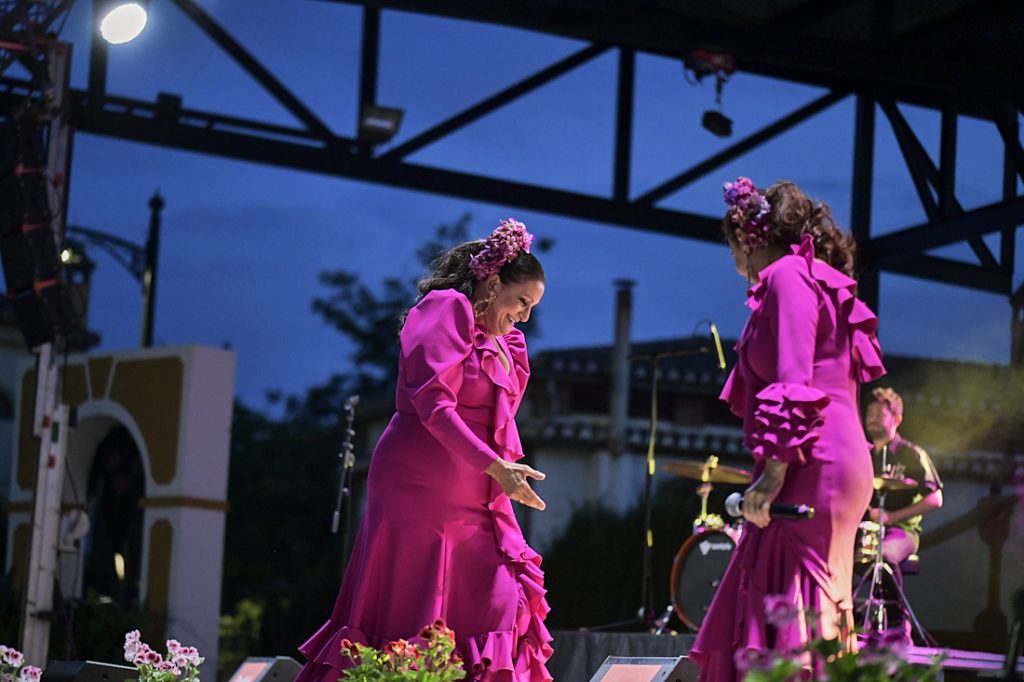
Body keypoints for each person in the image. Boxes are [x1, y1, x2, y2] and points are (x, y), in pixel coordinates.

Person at [295, 218, 553, 682]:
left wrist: (502, 471)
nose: (526, 316)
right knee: (411, 619)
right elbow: (434, 405)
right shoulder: (445, 309)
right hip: (417, 487)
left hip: (477, 496)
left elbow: (499, 421)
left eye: (533, 306)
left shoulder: (510, 344)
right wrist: (497, 467)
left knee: (503, 602)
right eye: (522, 302)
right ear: (493, 283)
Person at [689, 178, 886, 681]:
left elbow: (794, 378)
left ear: (747, 238)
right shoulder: (814, 276)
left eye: (730, 244)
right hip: (830, 452)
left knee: (794, 599)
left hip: (809, 458)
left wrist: (773, 474)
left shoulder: (787, 276)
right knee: (806, 602)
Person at [862, 386, 943, 635]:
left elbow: (936, 499)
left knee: (883, 555)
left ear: (897, 419)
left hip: (902, 531)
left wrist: (891, 517)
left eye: (880, 412)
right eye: (870, 412)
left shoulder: (911, 454)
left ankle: (897, 625)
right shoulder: (862, 454)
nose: (872, 417)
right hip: (866, 531)